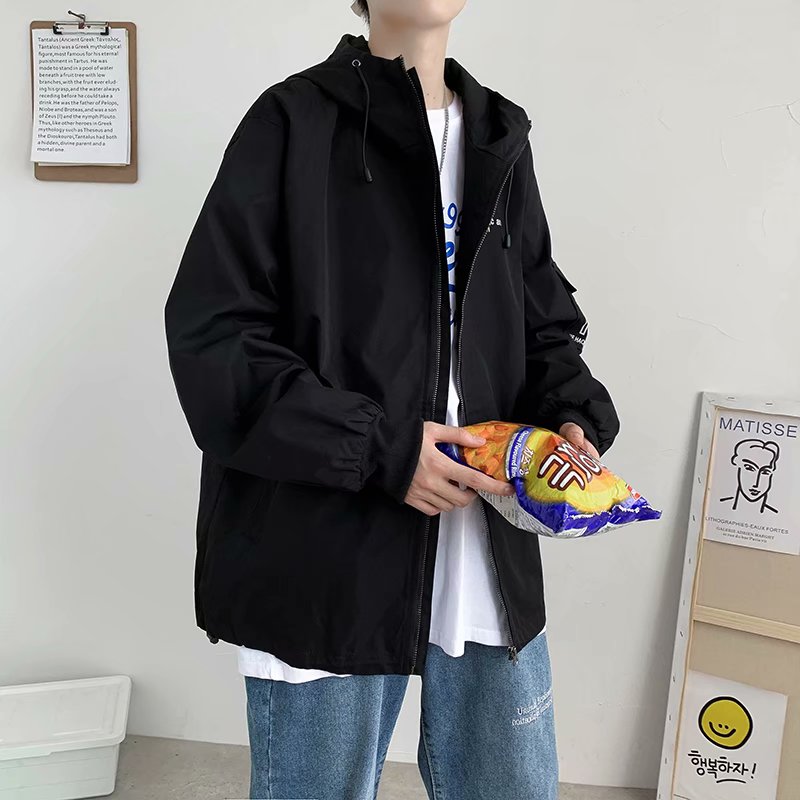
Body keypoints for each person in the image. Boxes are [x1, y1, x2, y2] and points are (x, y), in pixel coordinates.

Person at [164, 0, 620, 797]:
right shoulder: (292, 123)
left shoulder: (500, 138)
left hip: (483, 548)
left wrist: (569, 416)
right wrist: (381, 450)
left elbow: (541, 320)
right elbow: (216, 338)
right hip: (325, 552)